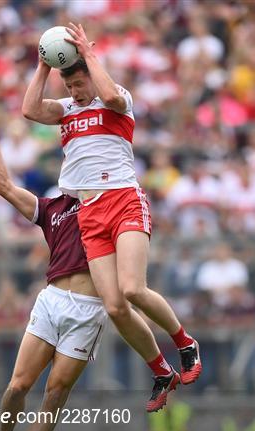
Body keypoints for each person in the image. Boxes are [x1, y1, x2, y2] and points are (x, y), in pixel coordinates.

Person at [0, 113, 179, 431]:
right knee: (17, 386)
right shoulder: (54, 207)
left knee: (55, 394)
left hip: (89, 309)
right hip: (51, 301)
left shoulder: (117, 203)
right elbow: (4, 187)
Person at [21, 23, 202, 400]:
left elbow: (110, 95)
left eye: (79, 84)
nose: (75, 91)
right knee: (114, 306)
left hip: (123, 200)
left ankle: (185, 343)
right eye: (69, 86)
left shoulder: (115, 97)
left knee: (133, 288)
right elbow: (29, 109)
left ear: (91, 72)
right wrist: (43, 65)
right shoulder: (67, 110)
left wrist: (88, 53)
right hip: (89, 211)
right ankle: (161, 371)